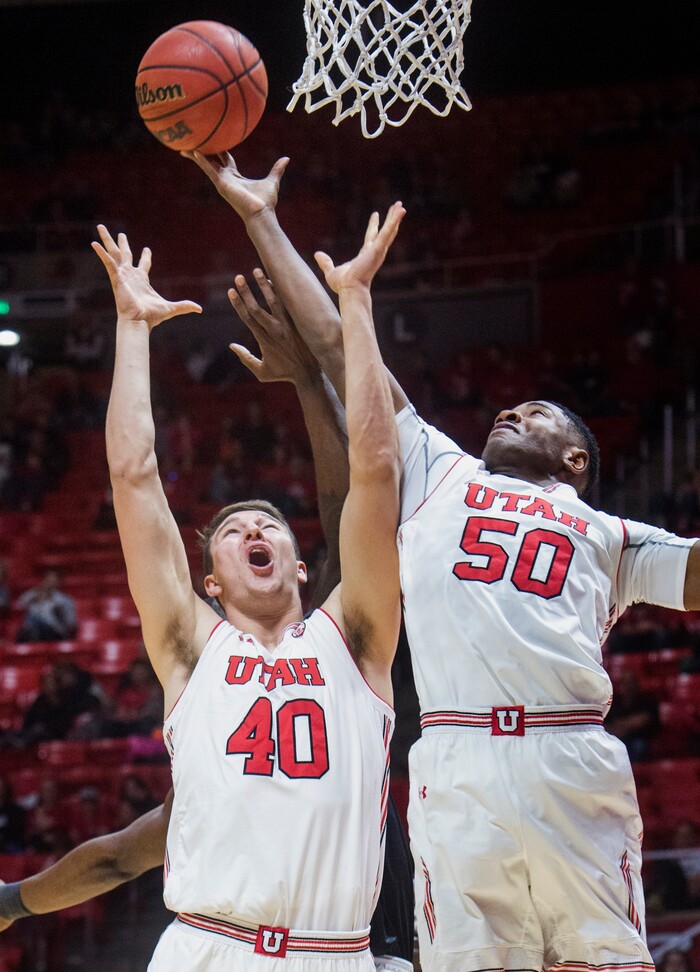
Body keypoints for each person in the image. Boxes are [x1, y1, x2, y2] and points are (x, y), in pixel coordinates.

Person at [180, 150, 700, 972]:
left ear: (574, 461)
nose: (511, 409)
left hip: (570, 751)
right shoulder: (439, 471)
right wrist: (259, 217)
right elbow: (340, 351)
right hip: (455, 759)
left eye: (537, 414)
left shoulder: (609, 534)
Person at [1, 207, 403, 972]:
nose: (257, 531)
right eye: (234, 529)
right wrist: (131, 326)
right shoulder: (191, 646)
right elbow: (133, 476)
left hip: (336, 953)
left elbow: (376, 472)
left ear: (300, 561)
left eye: (271, 526)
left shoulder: (356, 633)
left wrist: (355, 307)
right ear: (210, 580)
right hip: (206, 948)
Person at [15, 569, 78, 642]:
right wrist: (34, 599)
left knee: (36, 623)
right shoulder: (33, 594)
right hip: (31, 629)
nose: (49, 582)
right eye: (48, 579)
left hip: (54, 632)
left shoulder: (65, 600)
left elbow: (71, 623)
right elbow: (19, 605)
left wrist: (59, 613)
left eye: (53, 579)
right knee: (27, 628)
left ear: (59, 582)